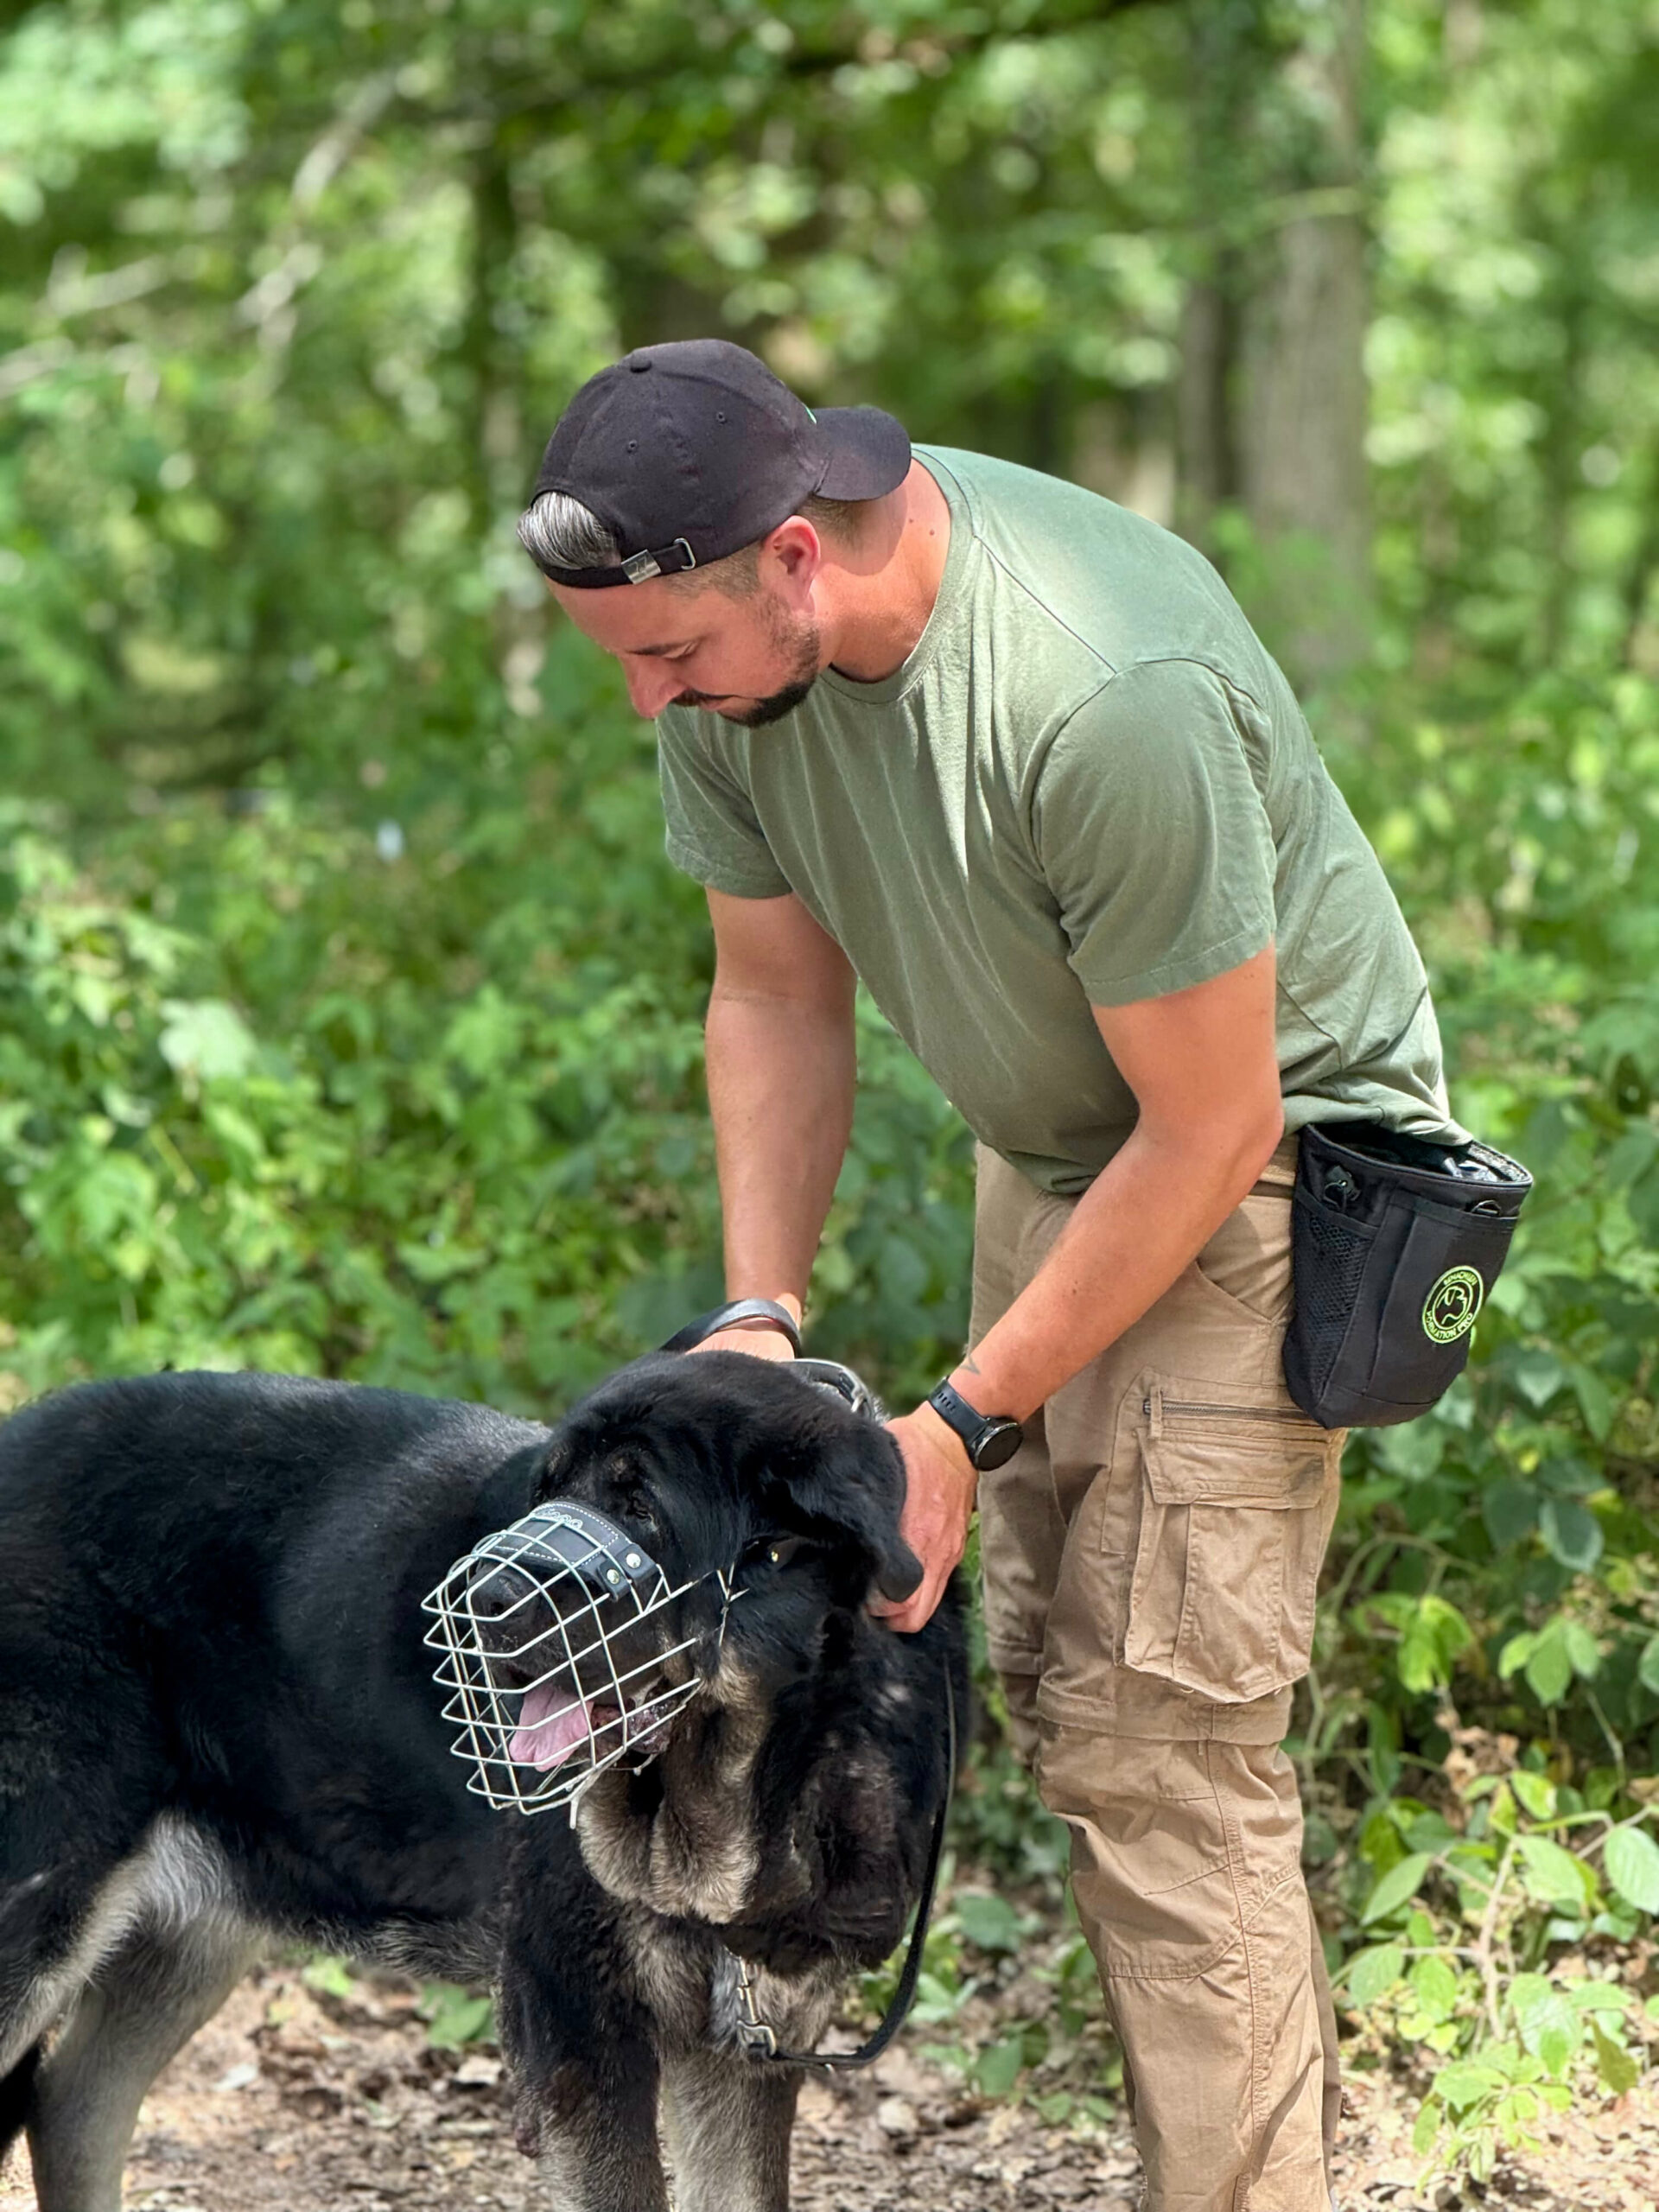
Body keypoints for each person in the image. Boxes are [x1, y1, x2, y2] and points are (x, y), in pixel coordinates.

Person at [514, 339, 1458, 2212]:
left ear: (797, 556)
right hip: (1056, 1157)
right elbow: (774, 992)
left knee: (1163, 1751)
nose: (648, 706)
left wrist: (958, 1417)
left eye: (670, 655)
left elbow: (1210, 1119)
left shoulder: (1103, 689)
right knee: (1049, 1681)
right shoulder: (728, 665)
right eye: (618, 660)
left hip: (1272, 1173)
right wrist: (758, 1309)